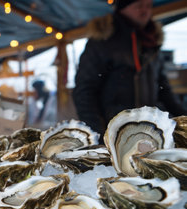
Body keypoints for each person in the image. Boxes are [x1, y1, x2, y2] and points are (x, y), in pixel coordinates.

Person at [73, 0, 186, 137]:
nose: (145, 11)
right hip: (115, 131)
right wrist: (97, 134)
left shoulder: (152, 43)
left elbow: (164, 91)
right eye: (139, 6)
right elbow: (85, 91)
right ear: (122, 8)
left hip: (151, 130)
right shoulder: (103, 40)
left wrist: (183, 119)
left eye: (148, 6)